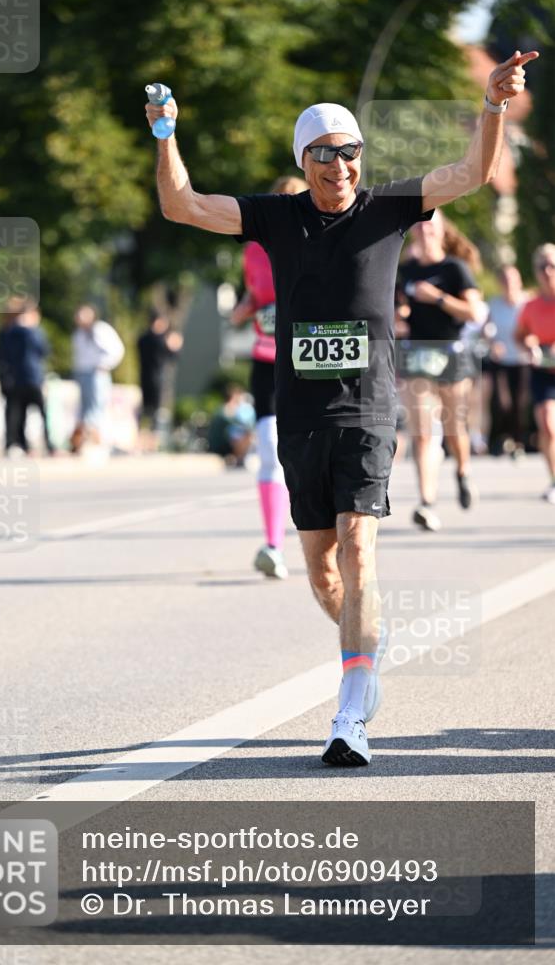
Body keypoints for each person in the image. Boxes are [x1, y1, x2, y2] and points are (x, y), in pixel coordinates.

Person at [146, 48, 538, 767]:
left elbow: (470, 173)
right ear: (304, 160)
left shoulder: (388, 208)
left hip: (367, 409)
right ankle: (367, 641)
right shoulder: (276, 217)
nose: (339, 166)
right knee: (325, 575)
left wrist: (491, 106)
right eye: (324, 154)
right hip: (300, 416)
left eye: (349, 152)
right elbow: (182, 204)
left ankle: (351, 713)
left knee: (359, 549)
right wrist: (166, 135)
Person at [230, 175, 308, 581]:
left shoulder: (318, 242)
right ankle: (274, 544)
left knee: (310, 452)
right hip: (266, 360)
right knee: (269, 448)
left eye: (295, 200)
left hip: (309, 361)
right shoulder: (253, 251)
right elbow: (254, 295)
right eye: (281, 201)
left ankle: (324, 534)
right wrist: (244, 310)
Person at [397, 211, 485, 532]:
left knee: (453, 428)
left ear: (442, 231)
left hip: (450, 354)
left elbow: (474, 312)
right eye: (420, 226)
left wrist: (437, 298)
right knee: (421, 432)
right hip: (416, 356)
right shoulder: (405, 270)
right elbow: (396, 309)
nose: (425, 231)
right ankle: (426, 502)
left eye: (431, 226)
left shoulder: (455, 269)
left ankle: (462, 472)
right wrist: (400, 315)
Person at [515, 243, 555, 503]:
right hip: (543, 370)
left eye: (552, 265)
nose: (548, 271)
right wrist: (529, 344)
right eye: (542, 266)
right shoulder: (531, 305)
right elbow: (519, 336)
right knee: (548, 425)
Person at [0, 297, 54, 456]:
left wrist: (30, 329)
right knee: (16, 415)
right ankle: (16, 444)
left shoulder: (34, 332)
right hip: (15, 379)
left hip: (33, 378)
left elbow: (43, 350)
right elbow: (1, 355)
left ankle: (49, 445)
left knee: (43, 413)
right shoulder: (9, 332)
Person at [484, 266, 530, 457]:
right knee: (501, 402)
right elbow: (486, 328)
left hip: (522, 359)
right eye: (504, 279)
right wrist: (492, 342)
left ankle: (518, 442)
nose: (508, 283)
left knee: (519, 403)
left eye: (511, 279)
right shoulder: (494, 304)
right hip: (500, 359)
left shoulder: (527, 302)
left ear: (519, 281)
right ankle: (500, 439)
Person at [71, 304, 125, 453]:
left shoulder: (101, 330)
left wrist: (105, 364)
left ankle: (97, 439)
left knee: (97, 405)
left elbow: (116, 350)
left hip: (97, 373)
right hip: (83, 372)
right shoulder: (79, 334)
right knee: (85, 407)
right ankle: (83, 440)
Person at [137, 310, 183, 451]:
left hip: (144, 378)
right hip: (157, 379)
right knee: (155, 413)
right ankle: (152, 443)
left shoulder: (142, 338)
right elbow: (172, 356)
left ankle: (144, 441)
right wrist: (174, 345)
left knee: (146, 411)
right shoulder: (159, 340)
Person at [207, 383, 256, 467]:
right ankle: (240, 458)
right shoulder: (228, 409)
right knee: (247, 435)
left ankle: (240, 457)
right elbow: (240, 424)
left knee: (243, 434)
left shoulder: (223, 408)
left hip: (218, 443)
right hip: (220, 445)